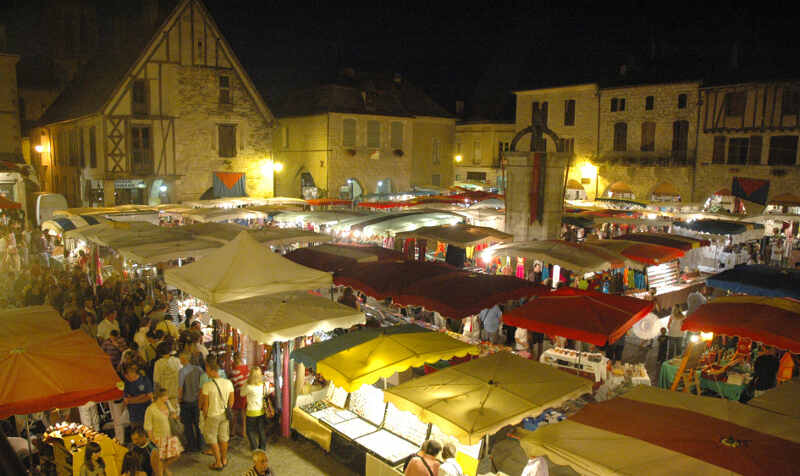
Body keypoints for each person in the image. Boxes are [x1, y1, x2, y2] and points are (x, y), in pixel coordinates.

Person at [200, 357, 234, 471]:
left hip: (212, 415)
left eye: (207, 369)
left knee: (212, 438)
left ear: (211, 369)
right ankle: (224, 459)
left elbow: (205, 405)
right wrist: (226, 410)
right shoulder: (228, 383)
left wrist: (204, 417)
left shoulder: (207, 386)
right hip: (225, 415)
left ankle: (218, 462)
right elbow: (231, 401)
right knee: (224, 437)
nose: (206, 372)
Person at [144, 387, 183, 476]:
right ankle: (160, 471)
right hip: (158, 438)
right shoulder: (151, 409)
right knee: (159, 460)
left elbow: (170, 417)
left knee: (176, 455)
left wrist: (174, 416)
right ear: (159, 397)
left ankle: (162, 468)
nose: (167, 398)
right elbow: (148, 427)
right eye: (166, 396)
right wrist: (153, 441)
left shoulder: (167, 405)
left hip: (168, 436)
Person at [177, 351, 203, 452]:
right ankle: (201, 445)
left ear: (184, 359)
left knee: (188, 425)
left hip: (186, 402)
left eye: (180, 358)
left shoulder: (182, 372)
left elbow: (180, 389)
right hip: (197, 401)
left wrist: (178, 399)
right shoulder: (199, 369)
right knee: (198, 424)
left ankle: (191, 445)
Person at [243, 367, 268, 450]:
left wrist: (245, 383)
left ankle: (254, 448)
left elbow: (241, 394)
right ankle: (262, 448)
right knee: (261, 430)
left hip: (251, 411)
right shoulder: (263, 385)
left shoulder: (248, 386)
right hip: (261, 410)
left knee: (250, 431)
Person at [152, 341, 182, 410]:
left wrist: (155, 397)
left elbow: (156, 382)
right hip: (176, 395)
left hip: (164, 397)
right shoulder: (177, 361)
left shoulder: (158, 364)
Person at [229, 352, 249, 439]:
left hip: (237, 393)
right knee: (243, 413)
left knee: (235, 413)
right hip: (245, 392)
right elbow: (248, 379)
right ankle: (244, 431)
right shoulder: (246, 368)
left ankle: (233, 430)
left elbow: (233, 383)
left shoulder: (234, 370)